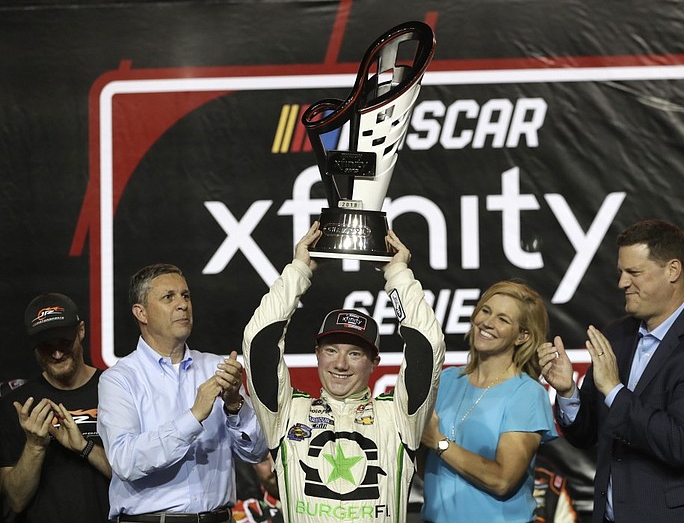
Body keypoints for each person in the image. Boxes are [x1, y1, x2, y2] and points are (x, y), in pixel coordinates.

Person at [536, 219, 684, 523]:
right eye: (622, 272)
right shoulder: (617, 337)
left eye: (634, 272)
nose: (622, 283)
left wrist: (614, 390)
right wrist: (567, 392)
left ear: (672, 271)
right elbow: (588, 434)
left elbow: (678, 443)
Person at [242, 222, 445, 523]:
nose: (340, 364)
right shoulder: (286, 412)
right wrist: (299, 270)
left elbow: (427, 345)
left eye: (354, 353)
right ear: (317, 355)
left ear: (374, 362)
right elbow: (259, 341)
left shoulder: (399, 416)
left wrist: (398, 274)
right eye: (331, 350)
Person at [97, 263, 267, 523]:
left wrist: (235, 405)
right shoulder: (119, 379)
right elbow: (125, 461)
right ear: (140, 313)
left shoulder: (215, 368)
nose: (183, 305)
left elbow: (255, 452)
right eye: (169, 297)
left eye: (185, 296)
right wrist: (194, 416)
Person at [419, 280, 558, 522]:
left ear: (522, 336)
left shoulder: (526, 393)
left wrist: (440, 443)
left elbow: (503, 480)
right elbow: (426, 468)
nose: (487, 323)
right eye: (485, 310)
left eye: (503, 319)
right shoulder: (446, 380)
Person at [0, 293, 112, 522]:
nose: (57, 353)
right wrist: (34, 446)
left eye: (64, 341)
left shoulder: (116, 391)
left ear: (81, 331)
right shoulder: (17, 404)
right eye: (45, 346)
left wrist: (85, 447)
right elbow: (15, 500)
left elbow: (139, 479)